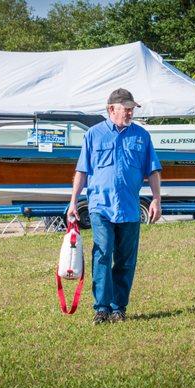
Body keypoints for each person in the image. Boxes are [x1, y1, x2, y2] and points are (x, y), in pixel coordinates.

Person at [67, 88, 162, 325]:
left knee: (125, 259)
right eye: (126, 108)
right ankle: (101, 308)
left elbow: (153, 170)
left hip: (130, 209)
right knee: (103, 253)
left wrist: (157, 199)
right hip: (100, 207)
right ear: (111, 109)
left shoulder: (142, 136)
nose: (130, 113)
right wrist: (72, 202)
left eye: (132, 109)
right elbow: (82, 170)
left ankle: (119, 307)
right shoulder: (93, 134)